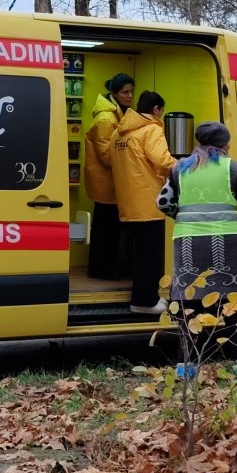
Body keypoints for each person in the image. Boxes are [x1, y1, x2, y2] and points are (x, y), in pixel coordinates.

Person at [158, 122, 237, 370]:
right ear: (224, 144)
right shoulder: (232, 168)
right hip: (226, 244)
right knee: (232, 302)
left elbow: (163, 202)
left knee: (189, 304)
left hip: (187, 244)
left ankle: (186, 367)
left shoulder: (180, 169)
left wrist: (182, 216)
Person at [111, 90, 175, 313]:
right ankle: (145, 301)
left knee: (139, 255)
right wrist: (184, 166)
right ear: (156, 110)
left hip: (127, 202)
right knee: (150, 256)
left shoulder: (119, 133)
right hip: (148, 201)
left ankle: (142, 298)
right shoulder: (151, 130)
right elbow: (163, 160)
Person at [85, 72, 134, 281]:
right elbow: (106, 156)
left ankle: (104, 268)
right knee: (106, 232)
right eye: (125, 92)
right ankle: (101, 269)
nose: (130, 96)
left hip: (111, 184)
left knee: (108, 230)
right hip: (105, 185)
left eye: (131, 91)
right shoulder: (106, 119)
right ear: (114, 93)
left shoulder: (116, 114)